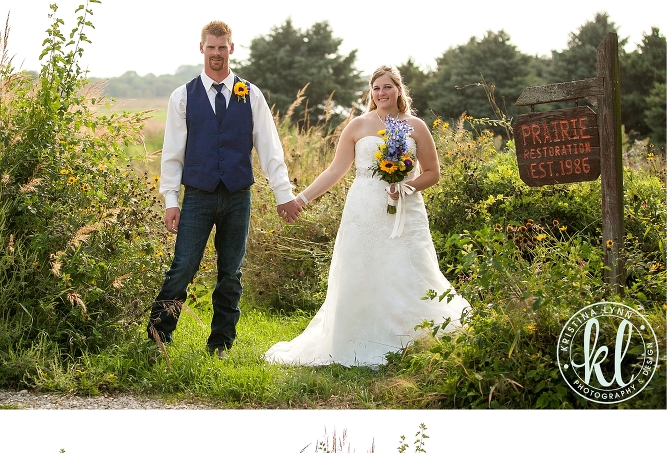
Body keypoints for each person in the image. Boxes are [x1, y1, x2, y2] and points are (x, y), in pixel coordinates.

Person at [264, 64, 470, 367]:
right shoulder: (358, 125)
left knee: (409, 267)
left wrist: (406, 187)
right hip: (364, 208)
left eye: (387, 87)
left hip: (405, 208)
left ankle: (413, 338)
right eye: (376, 88)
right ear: (370, 93)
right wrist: (301, 198)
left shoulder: (416, 126)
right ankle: (356, 339)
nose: (381, 93)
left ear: (399, 90)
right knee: (361, 268)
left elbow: (433, 172)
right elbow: (336, 170)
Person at [147, 21, 300, 359]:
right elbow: (173, 154)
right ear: (201, 48)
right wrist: (171, 201)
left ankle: (220, 345)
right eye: (211, 47)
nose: (216, 53)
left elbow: (270, 148)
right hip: (198, 196)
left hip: (237, 196)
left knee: (231, 273)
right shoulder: (182, 96)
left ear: (231, 48)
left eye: (222, 47)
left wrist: (283, 194)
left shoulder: (251, 94)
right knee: (183, 267)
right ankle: (158, 339)